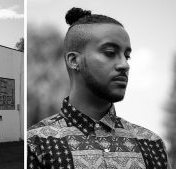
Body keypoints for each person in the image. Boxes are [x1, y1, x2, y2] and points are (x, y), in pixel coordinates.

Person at [27, 7, 171, 169]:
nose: (124, 65)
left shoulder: (151, 144)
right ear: (74, 60)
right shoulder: (36, 144)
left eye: (127, 56)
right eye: (110, 53)